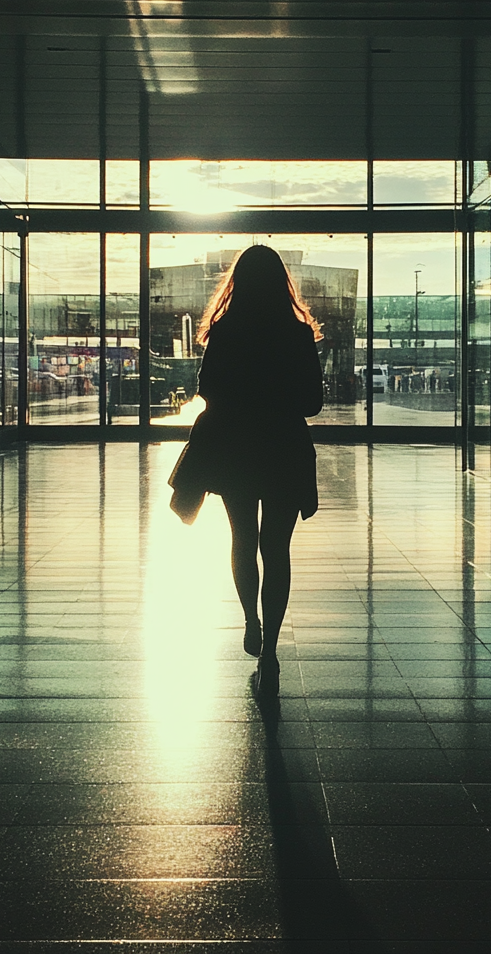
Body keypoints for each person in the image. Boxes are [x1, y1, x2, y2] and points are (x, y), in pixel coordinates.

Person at [194, 245, 324, 698]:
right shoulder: (297, 334)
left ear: (238, 283)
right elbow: (313, 403)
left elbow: (207, 390)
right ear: (282, 283)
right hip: (284, 448)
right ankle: (271, 650)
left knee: (243, 541)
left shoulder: (225, 331)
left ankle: (251, 620)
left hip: (237, 450)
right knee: (277, 549)